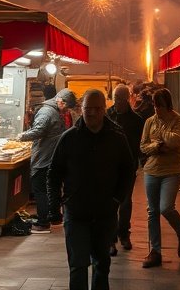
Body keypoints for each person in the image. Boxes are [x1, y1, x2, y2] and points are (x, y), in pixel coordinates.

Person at [47, 88, 134, 290]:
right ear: (81, 108)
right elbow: (53, 173)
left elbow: (128, 170)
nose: (92, 113)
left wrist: (117, 199)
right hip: (76, 212)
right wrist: (55, 205)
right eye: (88, 108)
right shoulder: (69, 138)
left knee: (102, 264)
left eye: (97, 108)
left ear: (104, 109)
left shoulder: (116, 138)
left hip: (105, 213)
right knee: (78, 265)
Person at [140, 87, 180, 268]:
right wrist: (158, 147)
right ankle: (155, 250)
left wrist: (161, 136)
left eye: (159, 106)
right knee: (152, 211)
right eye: (154, 105)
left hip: (172, 171)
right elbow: (144, 146)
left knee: (166, 207)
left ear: (168, 105)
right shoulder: (149, 122)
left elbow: (175, 141)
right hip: (152, 170)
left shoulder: (178, 120)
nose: (156, 109)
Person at [18, 87, 77, 232]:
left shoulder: (48, 111)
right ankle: (52, 217)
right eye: (66, 107)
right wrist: (23, 136)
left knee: (41, 189)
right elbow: (40, 130)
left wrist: (21, 136)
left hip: (44, 157)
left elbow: (39, 130)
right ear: (61, 102)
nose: (66, 111)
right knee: (49, 188)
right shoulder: (49, 111)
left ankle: (43, 222)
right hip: (48, 156)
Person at [107, 83, 144, 253]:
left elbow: (140, 144)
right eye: (115, 99)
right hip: (109, 165)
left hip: (128, 166)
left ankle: (124, 234)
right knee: (110, 201)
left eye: (120, 99)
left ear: (127, 98)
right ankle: (111, 237)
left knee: (125, 201)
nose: (117, 102)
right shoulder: (107, 116)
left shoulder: (136, 120)